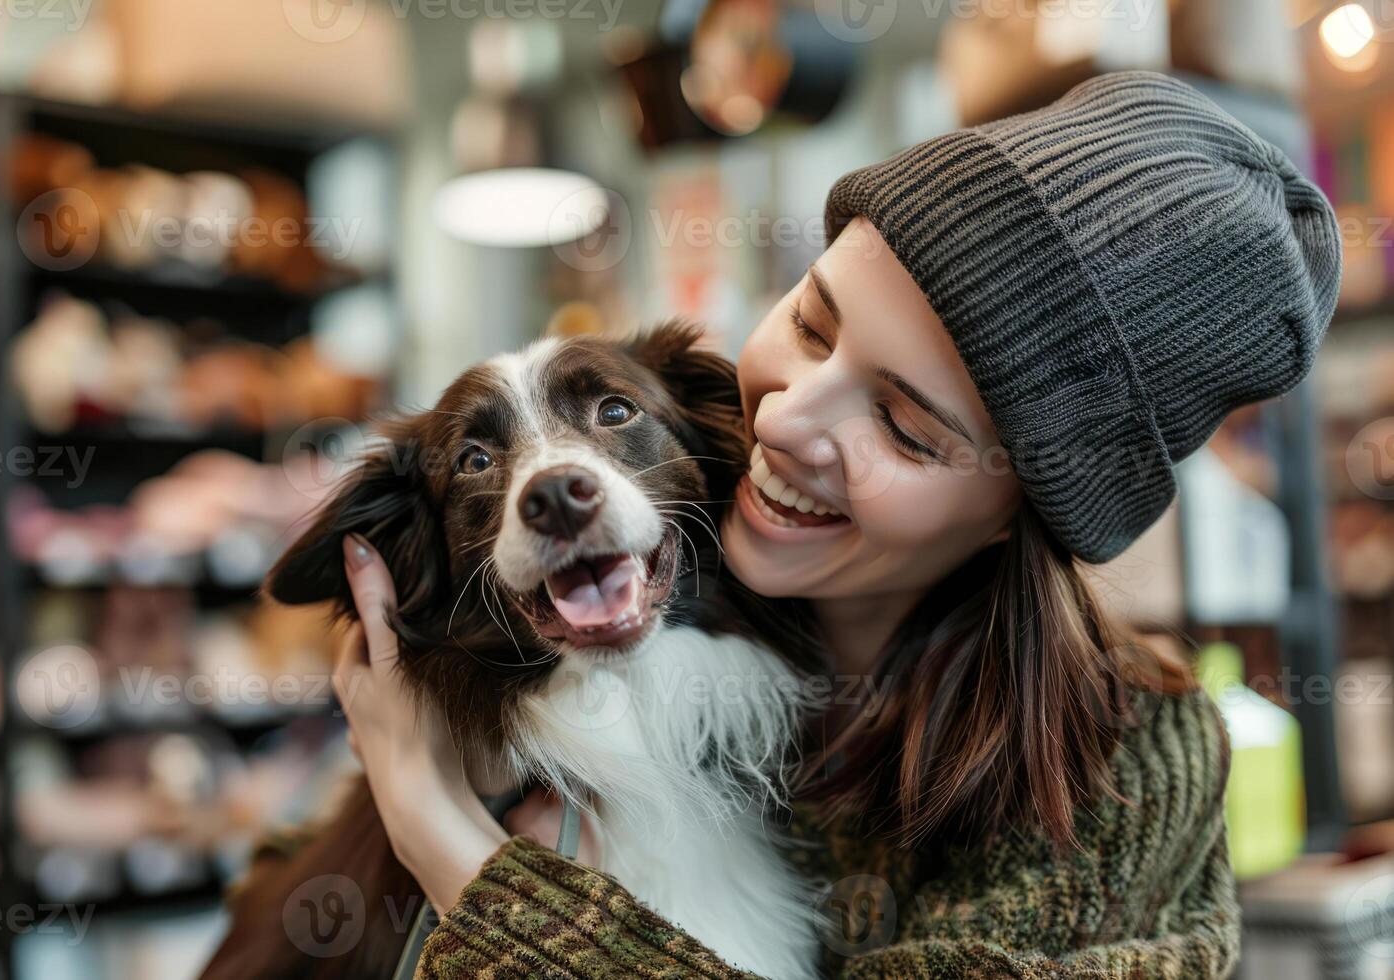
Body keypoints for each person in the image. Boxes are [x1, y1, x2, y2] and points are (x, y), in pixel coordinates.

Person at [331, 72, 1340, 978]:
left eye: (903, 427)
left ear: (1013, 513)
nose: (783, 417)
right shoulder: (642, 603)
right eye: (812, 322)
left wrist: (440, 832)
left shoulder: (1122, 773)